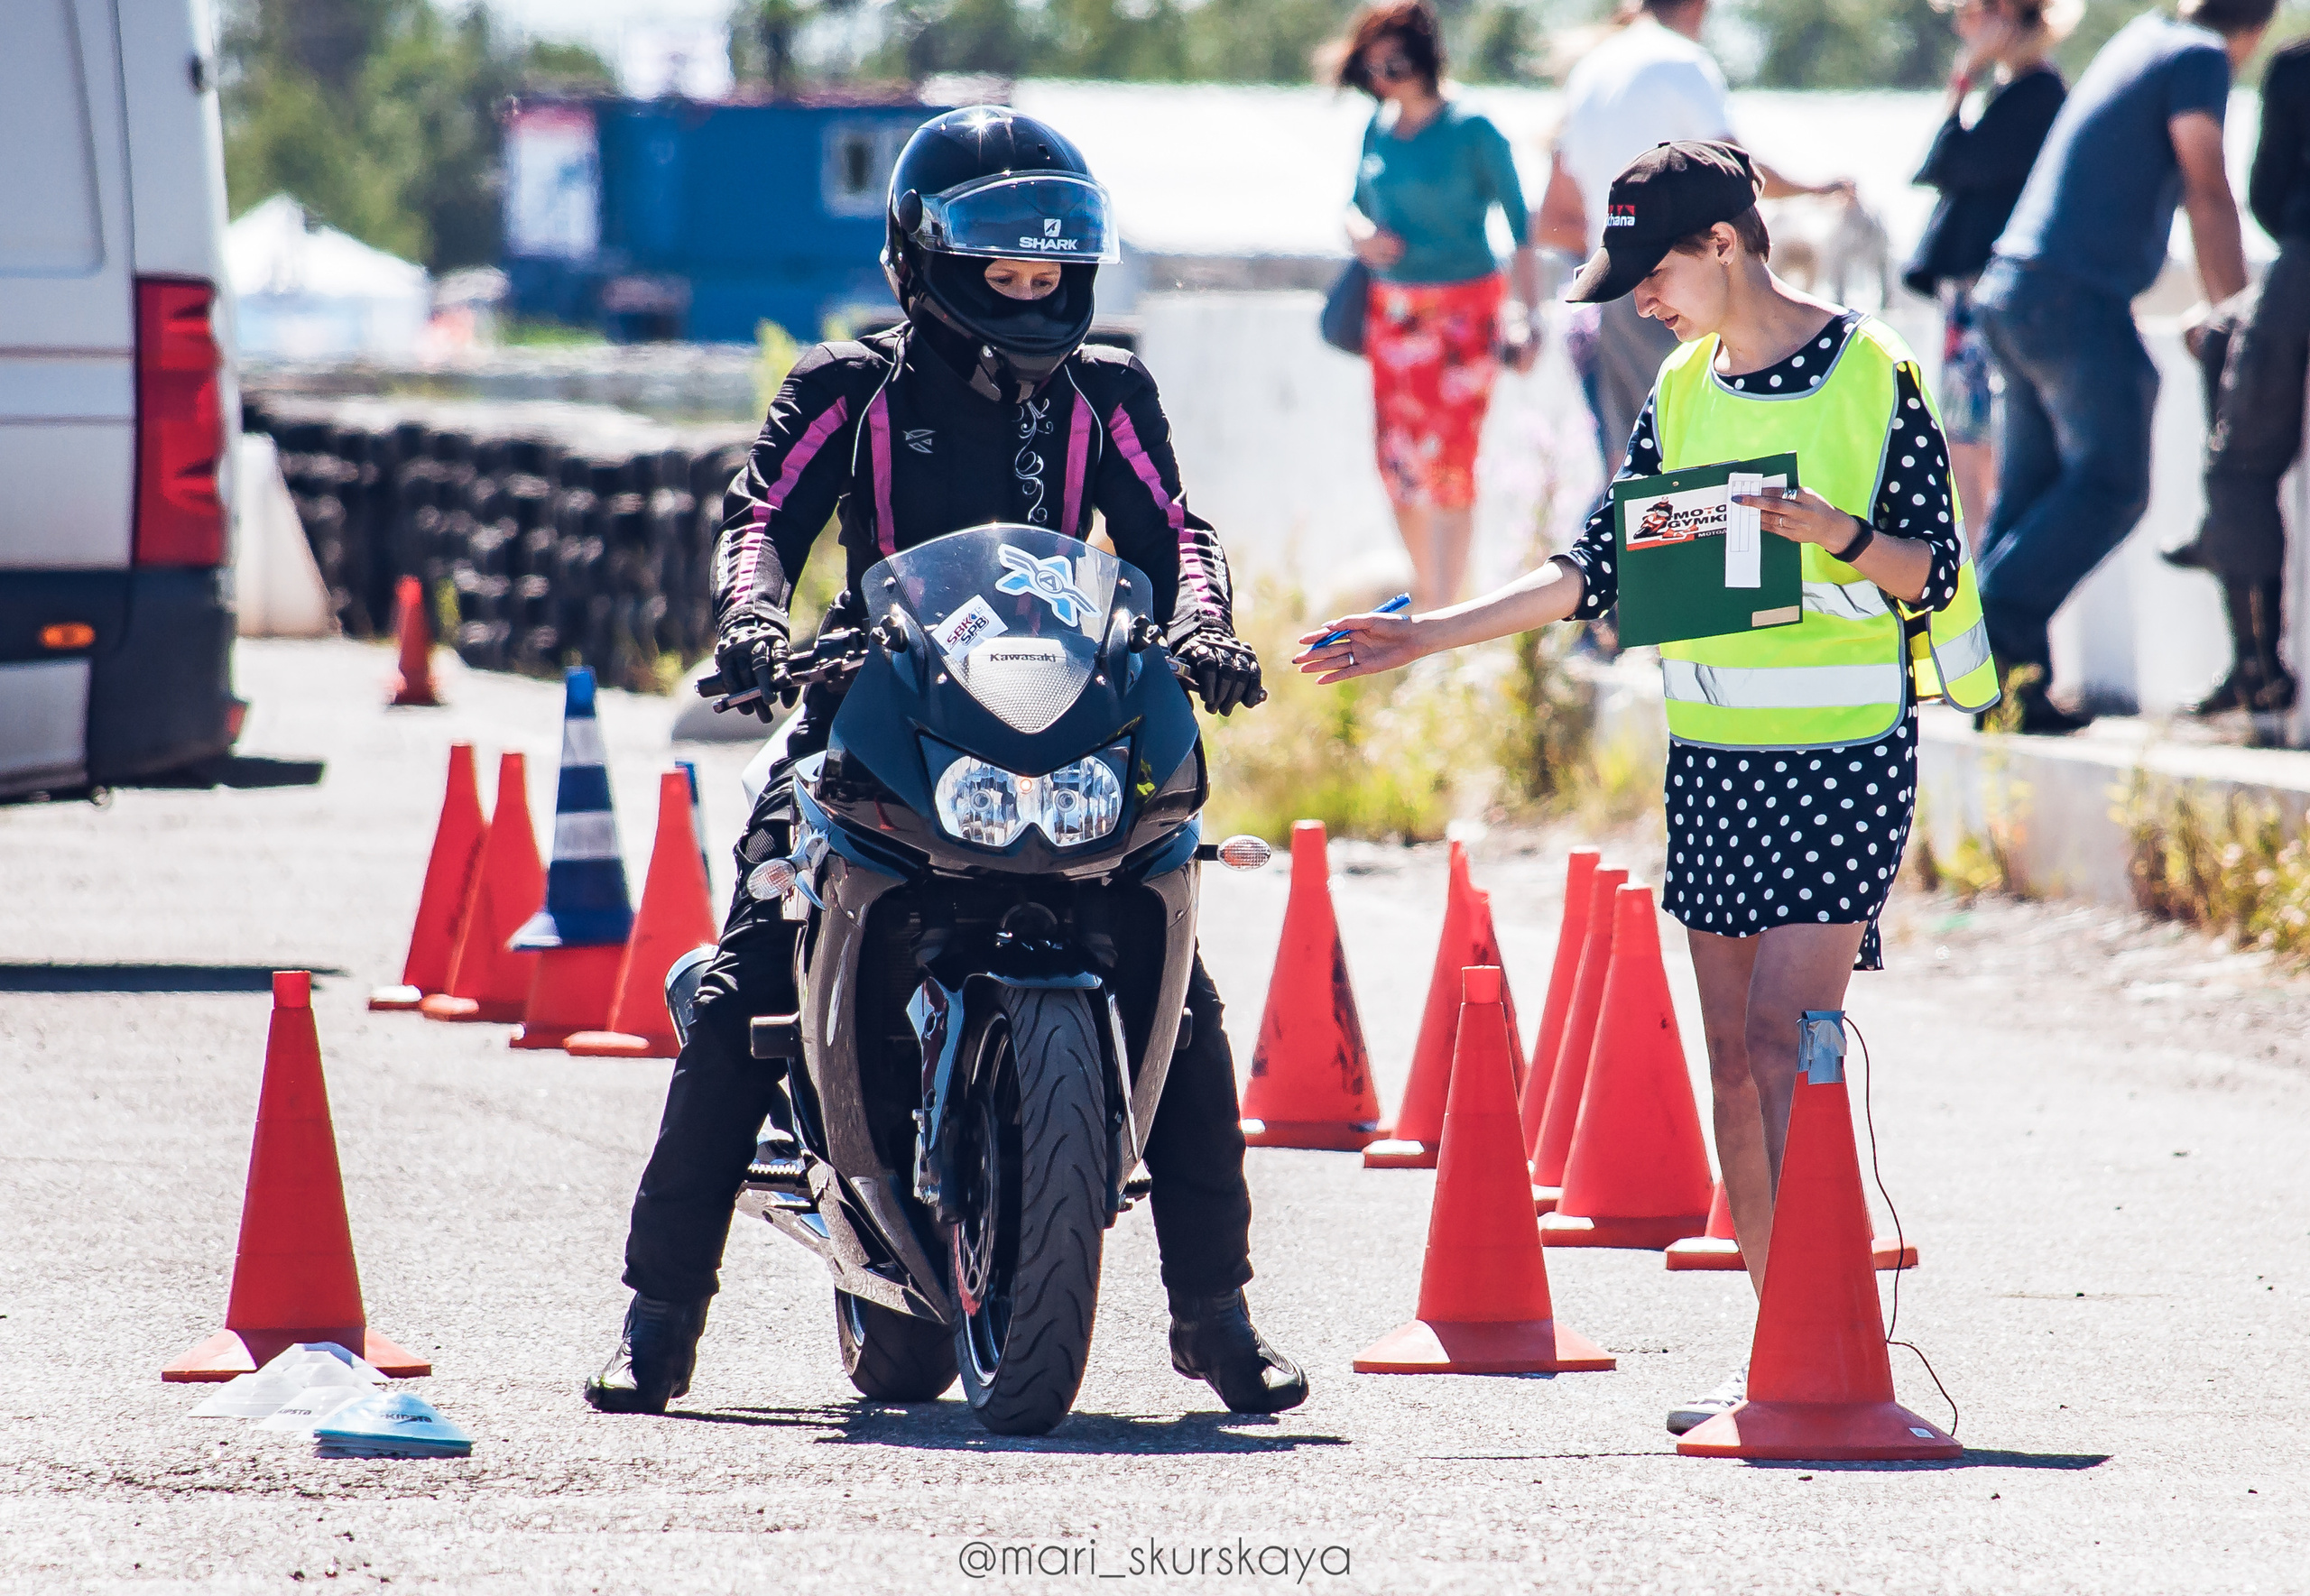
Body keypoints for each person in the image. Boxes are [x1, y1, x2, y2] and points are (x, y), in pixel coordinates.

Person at [584, 106, 1306, 1419]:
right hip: (871, 718)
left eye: (1048, 272)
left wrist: (1202, 623)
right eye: (1002, 272)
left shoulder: (1112, 394)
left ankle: (1216, 1313)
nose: (1030, 295)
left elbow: (1174, 531)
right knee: (753, 975)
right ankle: (660, 1319)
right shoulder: (845, 390)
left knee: (1181, 994)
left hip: (1062, 730)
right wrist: (753, 621)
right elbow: (761, 521)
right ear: (924, 265)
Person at [1294, 142, 1998, 1436]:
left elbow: (1930, 571)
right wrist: (1426, 631)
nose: (1643, 304)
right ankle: (1788, 1355)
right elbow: (1594, 569)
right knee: (1733, 1058)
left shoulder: (1873, 369)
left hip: (1845, 757)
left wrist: (1825, 530)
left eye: (1656, 273)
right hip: (1717, 766)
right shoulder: (1680, 388)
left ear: (1725, 244)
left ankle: (1830, 1353)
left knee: (1793, 1042)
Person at [1972, 0, 2276, 734]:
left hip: (2016, 286)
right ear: (2256, 32)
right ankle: (1980, 621)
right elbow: (2207, 187)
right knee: (2112, 484)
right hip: (2073, 296)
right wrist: (2234, 313)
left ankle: (2006, 691)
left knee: (2033, 489)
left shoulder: (2146, 36)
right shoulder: (2200, 57)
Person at [1536, 0, 1854, 479]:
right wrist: (1819, 188)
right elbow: (1731, 169)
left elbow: (1553, 211)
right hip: (1682, 277)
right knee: (1710, 471)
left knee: (1634, 474)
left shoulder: (1591, 69)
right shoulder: (1682, 63)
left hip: (1613, 279)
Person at [1333, 1, 1543, 611]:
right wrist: (1360, 236)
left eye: (1393, 65)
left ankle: (1448, 614)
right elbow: (1351, 205)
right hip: (1392, 313)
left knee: (1450, 467)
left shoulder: (1473, 127)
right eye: (1372, 70)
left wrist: (1528, 316)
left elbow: (1520, 226)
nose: (1383, 81)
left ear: (1424, 58)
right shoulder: (1375, 128)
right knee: (1396, 465)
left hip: (1464, 314)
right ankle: (1430, 597)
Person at [2167, 33, 2310, 717]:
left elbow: (2269, 197)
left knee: (2241, 466)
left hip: (2303, 271)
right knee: (2224, 332)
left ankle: (2258, 670)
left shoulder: (2297, 66)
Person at [1903, 0, 2077, 541]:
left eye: (1972, 12)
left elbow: (1950, 161)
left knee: (1983, 443)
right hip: (1979, 294)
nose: (1961, 26)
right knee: (1964, 440)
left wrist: (1964, 77)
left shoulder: (2039, 96)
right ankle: (1981, 577)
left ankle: (1990, 585)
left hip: (1993, 294)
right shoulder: (2016, 93)